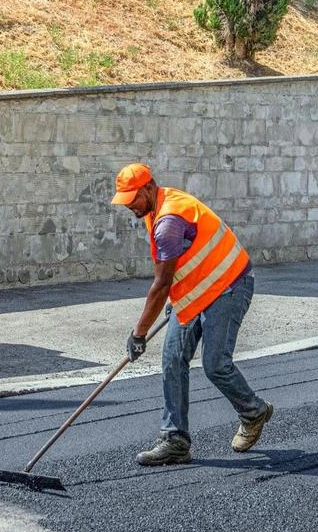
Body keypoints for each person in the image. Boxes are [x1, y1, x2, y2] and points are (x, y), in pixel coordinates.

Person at [110, 162, 272, 466]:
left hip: (229, 285)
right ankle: (175, 441)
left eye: (133, 198)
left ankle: (254, 411)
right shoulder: (155, 208)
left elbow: (160, 285)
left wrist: (139, 334)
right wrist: (182, 297)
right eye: (125, 200)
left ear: (149, 187)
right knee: (172, 358)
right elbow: (184, 263)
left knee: (215, 365)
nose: (130, 206)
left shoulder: (168, 220)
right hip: (199, 290)